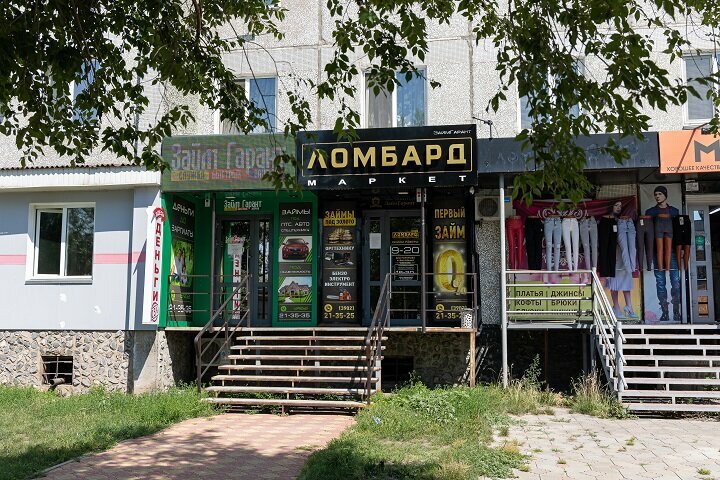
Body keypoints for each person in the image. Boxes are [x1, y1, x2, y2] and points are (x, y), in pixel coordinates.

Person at [645, 186, 681, 322]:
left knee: (675, 281)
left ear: (665, 195)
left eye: (660, 193)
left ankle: (676, 311)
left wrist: (681, 248)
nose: (657, 196)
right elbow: (647, 232)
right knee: (660, 282)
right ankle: (665, 312)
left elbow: (678, 231)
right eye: (656, 194)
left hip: (673, 251)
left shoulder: (674, 211)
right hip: (656, 251)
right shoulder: (651, 212)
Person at [606, 201, 637, 319]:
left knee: (626, 278)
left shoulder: (624, 221)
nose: (619, 208)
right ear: (611, 207)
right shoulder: (608, 220)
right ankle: (616, 307)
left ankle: (629, 306)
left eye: (620, 206)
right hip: (614, 254)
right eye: (616, 205)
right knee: (614, 280)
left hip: (624, 254)